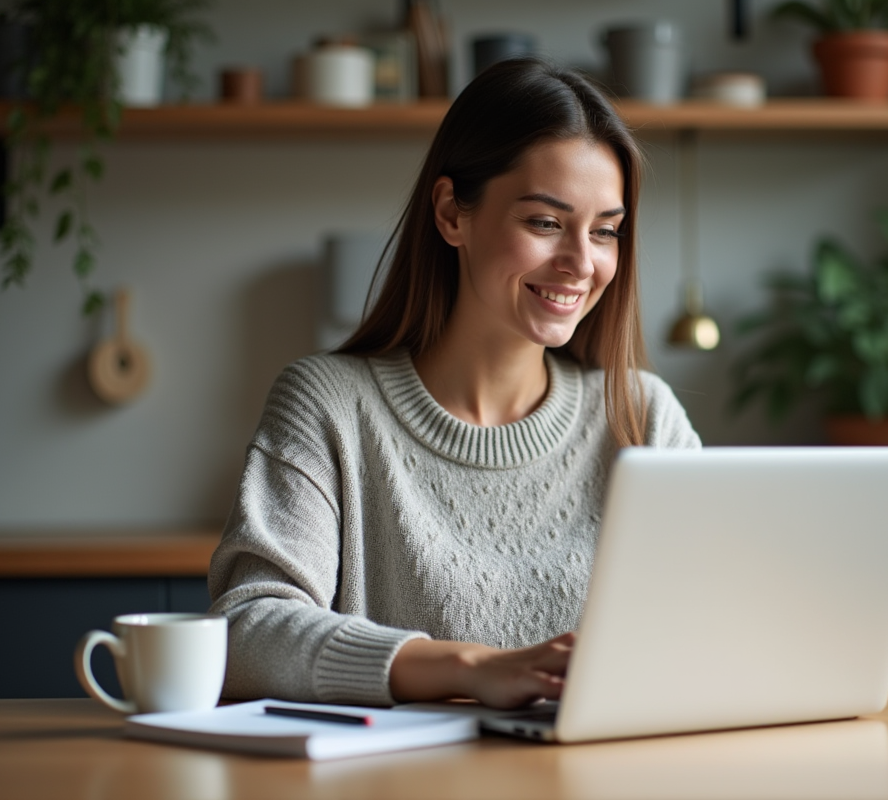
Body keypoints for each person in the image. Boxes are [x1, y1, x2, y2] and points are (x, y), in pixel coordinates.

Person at [207, 58, 700, 711]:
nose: (582, 263)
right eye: (545, 223)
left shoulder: (640, 415)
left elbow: (722, 622)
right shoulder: (329, 405)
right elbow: (246, 637)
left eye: (605, 231)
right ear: (451, 214)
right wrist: (472, 669)